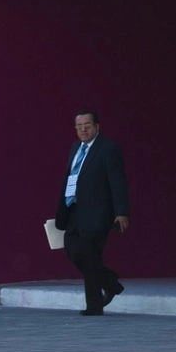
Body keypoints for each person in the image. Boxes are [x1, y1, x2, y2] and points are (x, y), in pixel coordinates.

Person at [54, 110, 130, 316]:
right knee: (72, 248)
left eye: (87, 125)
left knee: (90, 255)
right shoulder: (75, 148)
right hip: (74, 210)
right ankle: (110, 282)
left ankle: (94, 306)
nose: (83, 129)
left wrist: (121, 212)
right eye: (79, 126)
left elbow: (117, 182)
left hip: (98, 212)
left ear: (97, 126)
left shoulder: (108, 148)